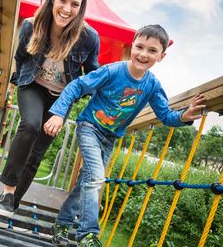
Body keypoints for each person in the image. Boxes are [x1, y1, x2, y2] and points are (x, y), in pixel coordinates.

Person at [44, 24, 206, 246]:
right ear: (132, 46)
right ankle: (88, 234)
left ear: (162, 56)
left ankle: (62, 223)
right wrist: (59, 113)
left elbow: (166, 116)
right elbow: (77, 86)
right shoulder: (113, 71)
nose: (143, 54)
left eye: (152, 50)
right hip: (90, 126)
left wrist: (184, 116)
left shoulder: (152, 85)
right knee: (96, 177)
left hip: (109, 138)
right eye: (140, 46)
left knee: (87, 181)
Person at [0, 0, 100, 218]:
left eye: (75, 4)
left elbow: (92, 75)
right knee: (30, 125)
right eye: (62, 0)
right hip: (32, 84)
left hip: (61, 98)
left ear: (81, 8)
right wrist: (14, 85)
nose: (67, 9)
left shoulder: (88, 37)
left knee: (37, 153)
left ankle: (12, 203)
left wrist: (68, 108)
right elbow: (20, 57)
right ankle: (7, 191)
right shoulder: (32, 26)